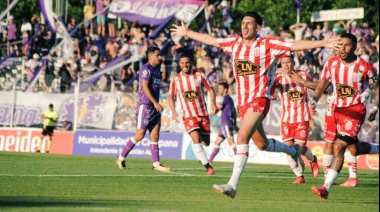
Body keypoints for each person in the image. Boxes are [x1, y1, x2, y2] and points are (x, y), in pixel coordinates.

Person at [170, 11, 341, 199]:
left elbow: (294, 45)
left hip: (260, 99)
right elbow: (210, 40)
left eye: (250, 23)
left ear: (258, 27)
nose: (245, 26)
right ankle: (291, 150)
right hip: (243, 103)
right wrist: (187, 33)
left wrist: (323, 43)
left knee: (241, 137)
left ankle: (232, 185)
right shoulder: (234, 43)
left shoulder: (267, 45)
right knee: (262, 145)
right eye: (243, 23)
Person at [310, 33, 379, 199]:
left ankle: (326, 187)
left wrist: (375, 107)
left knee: (339, 146)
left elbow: (377, 88)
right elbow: (321, 85)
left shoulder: (365, 67)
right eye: (340, 45)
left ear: (355, 47)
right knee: (354, 149)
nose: (343, 48)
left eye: (347, 45)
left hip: (355, 111)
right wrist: (313, 101)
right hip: (337, 111)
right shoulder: (331, 64)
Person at [115, 47, 171, 172]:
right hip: (146, 105)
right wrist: (155, 102)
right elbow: (145, 88)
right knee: (140, 135)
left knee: (155, 134)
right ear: (150, 56)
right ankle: (120, 157)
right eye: (157, 55)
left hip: (154, 107)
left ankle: (156, 164)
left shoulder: (156, 71)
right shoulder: (145, 69)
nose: (159, 57)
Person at [272, 55, 320, 184]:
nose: (286, 65)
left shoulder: (303, 75)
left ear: (294, 63)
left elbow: (318, 87)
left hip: (302, 117)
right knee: (289, 150)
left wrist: (313, 103)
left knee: (299, 148)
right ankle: (299, 175)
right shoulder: (277, 78)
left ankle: (312, 159)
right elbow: (266, 86)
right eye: (283, 63)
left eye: (288, 62)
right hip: (286, 120)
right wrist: (273, 72)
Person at [168, 53, 218, 175]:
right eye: (182, 63)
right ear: (179, 64)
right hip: (188, 116)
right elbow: (170, 96)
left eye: (187, 62)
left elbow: (211, 89)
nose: (185, 65)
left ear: (191, 63)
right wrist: (174, 112)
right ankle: (208, 167)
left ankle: (201, 156)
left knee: (206, 142)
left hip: (203, 114)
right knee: (196, 138)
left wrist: (213, 103)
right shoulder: (176, 79)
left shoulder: (199, 75)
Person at [208, 82, 237, 163]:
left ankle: (240, 160)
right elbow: (234, 111)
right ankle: (209, 161)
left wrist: (212, 101)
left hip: (226, 123)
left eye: (221, 88)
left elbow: (218, 108)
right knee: (217, 142)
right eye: (219, 88)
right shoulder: (230, 99)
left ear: (225, 89)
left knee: (231, 142)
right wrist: (235, 124)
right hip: (226, 123)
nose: (219, 90)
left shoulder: (225, 98)